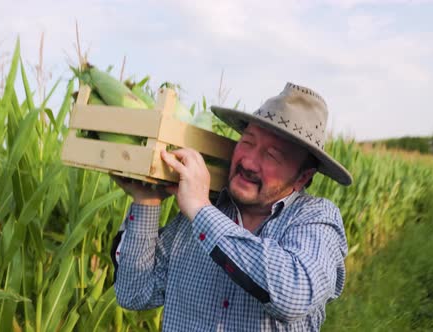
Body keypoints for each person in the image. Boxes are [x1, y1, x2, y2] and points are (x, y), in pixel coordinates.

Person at [111, 82, 352, 331]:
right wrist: (146, 201)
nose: (248, 161)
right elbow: (134, 293)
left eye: (272, 156)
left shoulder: (315, 218)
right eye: (247, 142)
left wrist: (201, 210)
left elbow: (293, 296)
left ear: (302, 177)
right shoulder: (200, 214)